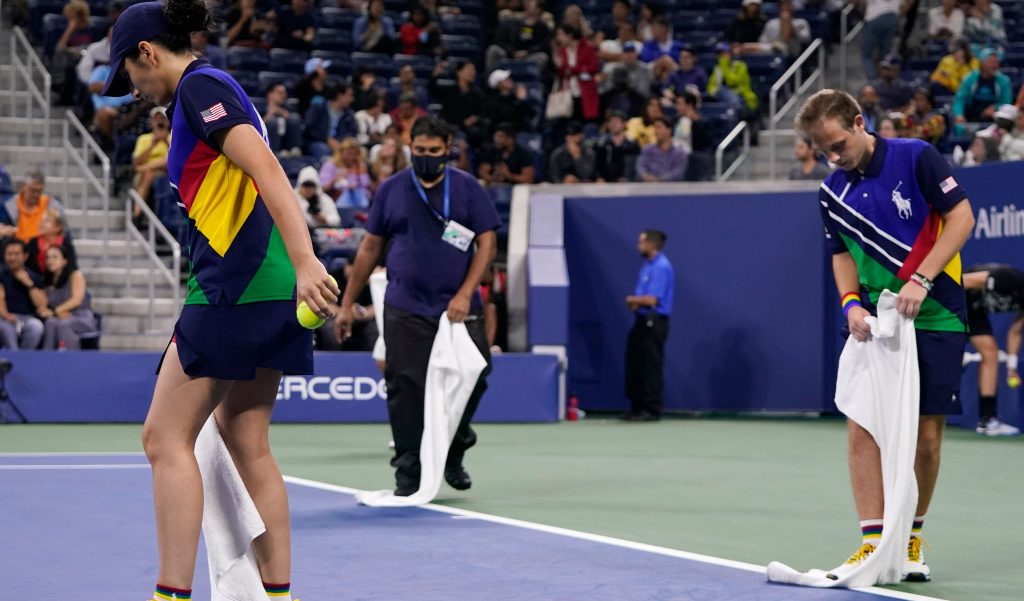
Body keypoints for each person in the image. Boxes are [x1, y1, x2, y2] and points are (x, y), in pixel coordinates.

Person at [100, 2, 338, 600]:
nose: (134, 89)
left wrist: (307, 259)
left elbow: (269, 170)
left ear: (147, 52)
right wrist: (296, 268)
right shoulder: (206, 90)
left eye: (130, 73)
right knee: (246, 441)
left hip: (235, 286)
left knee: (163, 437)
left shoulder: (200, 87)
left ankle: (170, 596)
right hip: (269, 287)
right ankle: (277, 595)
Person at [796, 88, 975, 583]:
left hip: (936, 312)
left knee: (926, 437)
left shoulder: (917, 157)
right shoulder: (831, 193)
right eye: (824, 151)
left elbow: (961, 218)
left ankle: (910, 537)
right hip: (877, 322)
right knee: (863, 426)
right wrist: (851, 303)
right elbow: (840, 255)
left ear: (859, 122)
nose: (834, 158)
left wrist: (922, 279)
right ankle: (873, 543)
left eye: (838, 145)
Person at [335, 116, 501, 496]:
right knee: (405, 390)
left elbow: (487, 244)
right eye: (419, 150)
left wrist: (465, 293)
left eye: (434, 151)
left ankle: (454, 447)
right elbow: (370, 247)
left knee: (476, 377)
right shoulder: (391, 189)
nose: (426, 156)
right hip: (405, 305)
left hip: (459, 307)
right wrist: (347, 303)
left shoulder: (468, 188)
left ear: (448, 149)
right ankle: (408, 474)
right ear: (410, 147)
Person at [962, 264, 1024, 436]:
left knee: (990, 353)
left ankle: (987, 420)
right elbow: (962, 281)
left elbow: (1015, 332)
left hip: (974, 311)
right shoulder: (1011, 281)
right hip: (954, 303)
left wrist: (1011, 367)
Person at [622, 229, 673, 422]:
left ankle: (651, 409)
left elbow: (652, 299)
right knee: (636, 363)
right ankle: (637, 406)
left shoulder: (661, 267)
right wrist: (636, 302)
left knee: (650, 365)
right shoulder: (647, 266)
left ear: (652, 244)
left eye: (641, 242)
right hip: (641, 321)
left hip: (654, 322)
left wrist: (632, 300)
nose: (638, 246)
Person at [38, 246, 98, 350]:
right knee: (50, 323)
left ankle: (68, 357)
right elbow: (43, 304)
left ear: (64, 261)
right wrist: (43, 310)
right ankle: (47, 355)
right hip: (60, 316)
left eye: (54, 257)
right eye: (48, 257)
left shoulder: (75, 275)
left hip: (81, 316)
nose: (50, 260)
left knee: (64, 324)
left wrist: (56, 311)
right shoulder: (47, 281)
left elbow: (77, 300)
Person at [0, 239, 46, 350]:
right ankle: (14, 356)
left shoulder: (34, 277)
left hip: (27, 318)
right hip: (4, 317)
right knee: (5, 328)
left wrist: (29, 284)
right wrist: (6, 315)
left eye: (16, 254)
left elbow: (42, 304)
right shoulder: (1, 274)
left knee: (36, 327)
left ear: (25, 256)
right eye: (9, 254)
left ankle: (24, 356)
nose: (12, 258)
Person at [952, 48, 1013, 126]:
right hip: (971, 119)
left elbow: (1006, 102)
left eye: (996, 62)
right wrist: (959, 115)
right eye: (991, 62)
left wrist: (996, 107)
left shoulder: (1004, 81)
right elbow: (960, 99)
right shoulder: (970, 79)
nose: (995, 65)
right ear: (982, 63)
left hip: (994, 121)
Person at [0, 171, 65, 242]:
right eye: (33, 190)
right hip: (17, 246)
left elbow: (64, 234)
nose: (36, 194)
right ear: (24, 186)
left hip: (43, 247)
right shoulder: (8, 207)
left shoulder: (52, 206)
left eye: (39, 191)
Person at [132, 106, 172, 217]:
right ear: (152, 122)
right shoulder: (143, 139)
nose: (159, 121)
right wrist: (152, 145)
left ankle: (137, 212)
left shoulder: (172, 137)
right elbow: (136, 162)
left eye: (162, 118)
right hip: (148, 173)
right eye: (156, 118)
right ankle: (137, 214)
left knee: (166, 160)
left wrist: (165, 141)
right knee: (149, 173)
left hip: (166, 170)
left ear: (167, 122)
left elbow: (176, 157)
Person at [320, 138, 373, 209]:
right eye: (348, 154)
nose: (351, 157)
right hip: (334, 201)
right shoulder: (330, 165)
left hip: (358, 201)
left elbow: (367, 188)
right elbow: (322, 189)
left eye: (354, 154)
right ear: (341, 152)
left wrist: (354, 188)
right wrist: (334, 180)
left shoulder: (360, 166)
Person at [860, 0, 901, 82]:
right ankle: (885, 83)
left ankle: (873, 83)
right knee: (885, 56)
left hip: (875, 17)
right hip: (892, 17)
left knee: (867, 56)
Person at [636, 117, 687, 183]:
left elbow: (678, 172)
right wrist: (646, 176)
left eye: (659, 127)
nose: (656, 131)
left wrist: (659, 179)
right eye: (655, 128)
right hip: (648, 186)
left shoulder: (679, 153)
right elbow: (641, 167)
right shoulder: (647, 150)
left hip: (671, 187)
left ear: (669, 130)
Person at [595, 109, 640, 182]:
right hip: (607, 181)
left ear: (624, 124)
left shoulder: (632, 144)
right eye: (611, 122)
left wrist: (627, 177)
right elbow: (599, 164)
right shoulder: (603, 144)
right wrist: (600, 177)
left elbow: (634, 165)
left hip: (627, 181)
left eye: (616, 121)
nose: (613, 124)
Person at [26, 211, 77, 276]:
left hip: (61, 277)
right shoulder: (33, 242)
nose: (41, 223)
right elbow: (28, 266)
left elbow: (72, 265)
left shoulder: (65, 242)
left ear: (58, 227)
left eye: (47, 220)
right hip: (37, 278)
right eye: (41, 220)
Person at [263, 82, 303, 156]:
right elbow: (257, 128)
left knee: (294, 118)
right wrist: (270, 114)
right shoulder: (261, 109)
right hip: (269, 145)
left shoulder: (288, 108)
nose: (284, 95)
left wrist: (286, 116)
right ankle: (274, 153)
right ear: (270, 94)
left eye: (285, 93)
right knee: (273, 123)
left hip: (286, 145)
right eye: (280, 93)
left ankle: (294, 150)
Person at [294, 166, 341, 231]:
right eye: (306, 185)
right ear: (300, 185)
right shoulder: (293, 199)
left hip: (322, 234)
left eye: (311, 185)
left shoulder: (323, 198)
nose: (308, 189)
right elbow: (301, 221)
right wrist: (315, 220)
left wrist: (325, 219)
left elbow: (336, 220)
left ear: (316, 186)